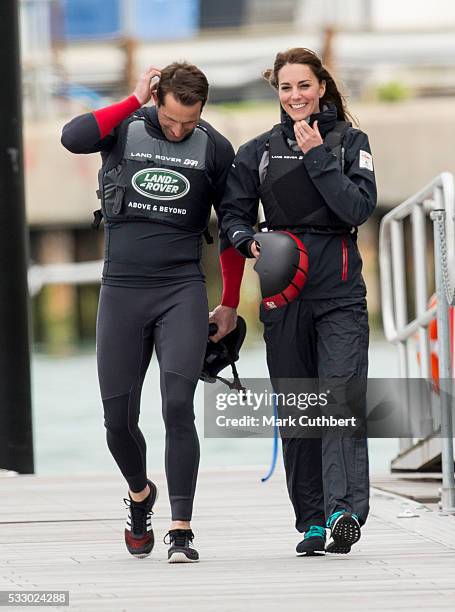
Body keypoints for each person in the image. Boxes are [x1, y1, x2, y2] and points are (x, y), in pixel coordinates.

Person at [61, 62, 245, 562]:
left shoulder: (214, 148)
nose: (180, 130)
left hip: (180, 290)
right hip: (121, 291)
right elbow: (72, 137)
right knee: (117, 420)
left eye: (190, 121)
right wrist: (132, 97)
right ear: (157, 99)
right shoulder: (123, 126)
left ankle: (181, 529)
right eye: (171, 119)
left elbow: (231, 227)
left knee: (177, 405)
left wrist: (228, 301)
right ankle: (141, 495)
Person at [220, 48, 377, 556]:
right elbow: (234, 219)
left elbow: (359, 206)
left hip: (340, 294)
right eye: (286, 88)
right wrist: (250, 243)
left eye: (303, 86)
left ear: (322, 88)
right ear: (278, 93)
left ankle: (344, 512)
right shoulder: (256, 151)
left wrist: (317, 157)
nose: (295, 97)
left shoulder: (351, 142)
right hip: (282, 294)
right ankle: (311, 520)